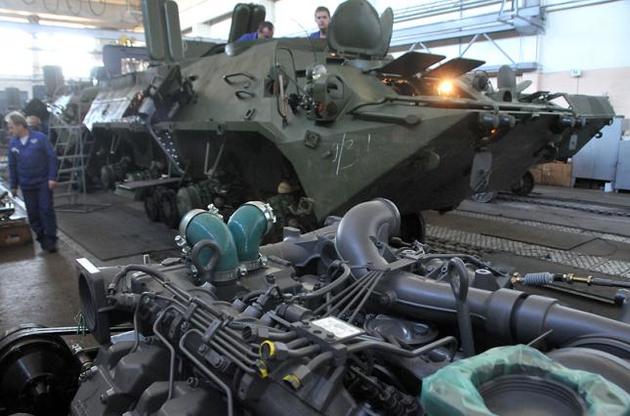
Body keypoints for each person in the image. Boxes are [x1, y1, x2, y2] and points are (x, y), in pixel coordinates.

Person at [6, 111, 59, 253]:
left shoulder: (40, 138)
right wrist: (13, 186)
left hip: (43, 182)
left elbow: (51, 158)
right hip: (26, 185)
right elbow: (12, 165)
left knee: (46, 210)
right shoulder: (13, 144)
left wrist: (52, 177)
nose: (9, 130)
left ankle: (51, 240)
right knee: (33, 214)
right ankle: (42, 237)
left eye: (11, 127)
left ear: (20, 125)